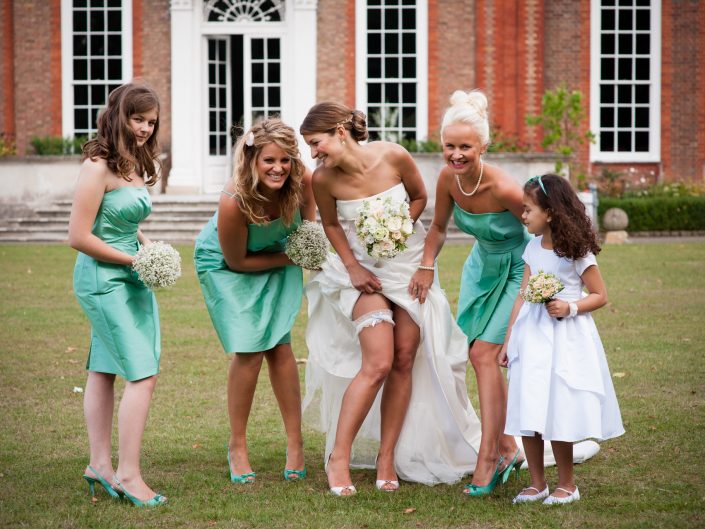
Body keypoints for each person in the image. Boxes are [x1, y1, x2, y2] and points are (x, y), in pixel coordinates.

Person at [300, 102, 482, 496]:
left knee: (403, 356)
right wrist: (352, 267)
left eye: (316, 143)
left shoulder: (394, 155)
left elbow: (419, 200)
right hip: (358, 275)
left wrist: (395, 227)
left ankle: (387, 458)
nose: (314, 153)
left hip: (405, 266)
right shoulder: (322, 179)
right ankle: (338, 458)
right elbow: (329, 224)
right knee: (379, 360)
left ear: (340, 131)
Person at [409, 90, 529, 496]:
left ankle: (490, 455)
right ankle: (510, 445)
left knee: (485, 356)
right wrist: (426, 266)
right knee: (470, 353)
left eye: (465, 147)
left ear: (483, 147)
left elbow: (545, 232)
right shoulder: (447, 179)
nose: (456, 155)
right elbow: (439, 227)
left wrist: (541, 286)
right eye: (449, 146)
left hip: (517, 269)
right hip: (481, 270)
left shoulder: (507, 189)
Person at [194, 118, 315, 484]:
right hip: (228, 266)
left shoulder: (304, 182)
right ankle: (238, 445)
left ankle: (295, 444)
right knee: (249, 351)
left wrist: (305, 251)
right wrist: (292, 258)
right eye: (269, 161)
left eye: (286, 160)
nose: (278, 168)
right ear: (252, 161)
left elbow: (307, 232)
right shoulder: (234, 200)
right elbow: (238, 261)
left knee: (280, 347)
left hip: (279, 254)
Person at [69, 82, 167, 507]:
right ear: (118, 115)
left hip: (133, 274)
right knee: (142, 374)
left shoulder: (137, 164)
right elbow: (77, 236)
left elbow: (124, 220)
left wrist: (147, 248)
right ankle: (127, 475)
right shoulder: (97, 166)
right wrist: (131, 262)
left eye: (151, 121)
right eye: (137, 118)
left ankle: (99, 465)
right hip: (102, 278)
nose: (145, 128)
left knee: (103, 370)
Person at [499, 174, 624, 504]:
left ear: (550, 212)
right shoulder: (531, 248)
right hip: (531, 335)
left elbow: (599, 295)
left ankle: (567, 484)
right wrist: (509, 339)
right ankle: (537, 482)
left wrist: (569, 307)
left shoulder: (576, 251)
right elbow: (522, 295)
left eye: (528, 210)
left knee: (558, 406)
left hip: (564, 338)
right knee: (528, 403)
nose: (522, 216)